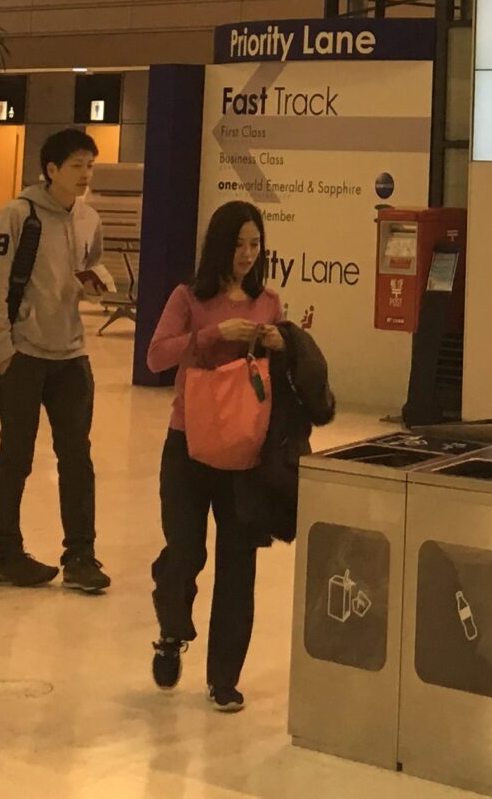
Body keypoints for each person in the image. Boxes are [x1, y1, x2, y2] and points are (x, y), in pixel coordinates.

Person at [146, 198, 284, 708]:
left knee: (238, 566)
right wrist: (212, 334)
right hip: (188, 443)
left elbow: (274, 378)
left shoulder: (268, 300)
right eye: (239, 243)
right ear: (219, 245)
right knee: (185, 552)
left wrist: (277, 343)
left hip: (244, 453)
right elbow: (157, 354)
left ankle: (224, 679)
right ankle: (171, 630)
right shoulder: (189, 297)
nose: (248, 254)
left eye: (256, 243)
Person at [0, 127, 111, 594]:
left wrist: (96, 280)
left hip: (72, 355)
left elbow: (90, 263)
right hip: (24, 355)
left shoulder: (89, 218)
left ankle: (81, 556)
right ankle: (6, 556)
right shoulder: (17, 216)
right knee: (15, 457)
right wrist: (2, 353)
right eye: (77, 166)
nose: (85, 175)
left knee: (77, 458)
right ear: (51, 169)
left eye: (90, 167)